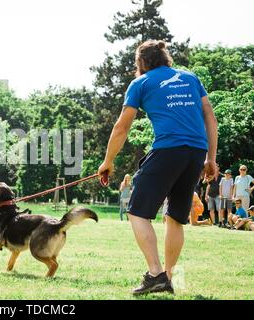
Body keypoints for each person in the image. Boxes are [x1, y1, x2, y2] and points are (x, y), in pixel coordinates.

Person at [97, 40, 218, 295]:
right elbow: (210, 116)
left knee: (137, 211)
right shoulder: (190, 78)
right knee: (175, 217)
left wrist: (107, 162)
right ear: (166, 58)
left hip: (168, 149)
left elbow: (121, 127)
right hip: (196, 151)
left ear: (141, 63)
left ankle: (155, 273)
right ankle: (168, 277)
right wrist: (211, 158)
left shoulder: (140, 83)